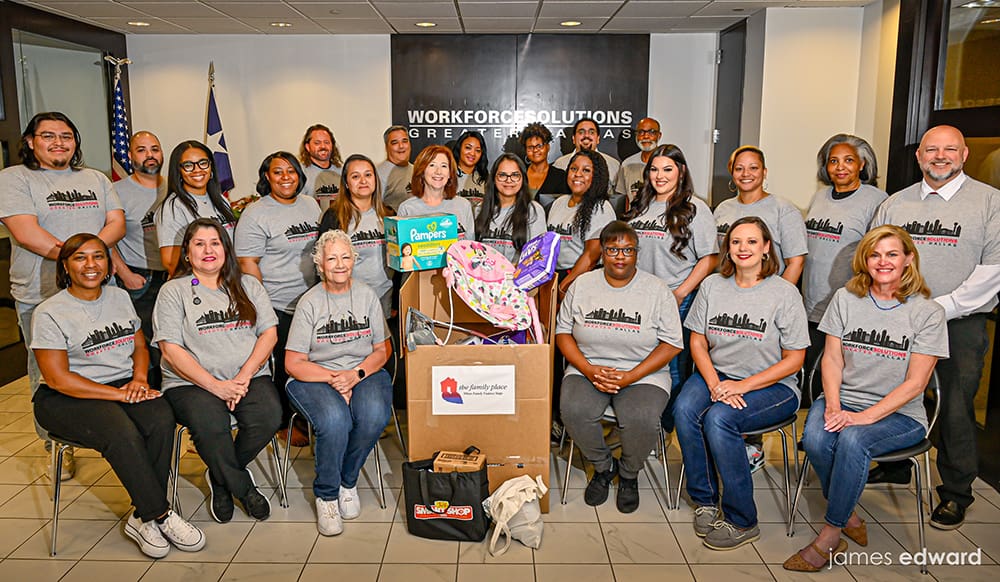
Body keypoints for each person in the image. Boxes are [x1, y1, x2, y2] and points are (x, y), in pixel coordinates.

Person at [783, 225, 948, 572]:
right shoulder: (846, 298)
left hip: (900, 415)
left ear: (908, 260)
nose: (883, 261)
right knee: (814, 437)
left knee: (853, 440)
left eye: (892, 254)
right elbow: (832, 359)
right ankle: (852, 516)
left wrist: (865, 417)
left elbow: (917, 384)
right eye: (875, 254)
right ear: (865, 260)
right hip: (843, 401)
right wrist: (833, 404)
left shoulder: (928, 312)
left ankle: (830, 535)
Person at [31, 233, 205, 558]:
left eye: (98, 256)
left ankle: (141, 516)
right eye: (80, 257)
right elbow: (58, 378)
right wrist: (121, 397)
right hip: (66, 397)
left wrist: (139, 380)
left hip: (122, 384)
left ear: (109, 264)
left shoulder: (119, 298)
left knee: (161, 417)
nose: (91, 264)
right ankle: (161, 514)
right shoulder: (50, 312)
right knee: (122, 433)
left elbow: (139, 345)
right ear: (65, 266)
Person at [870, 125, 1000, 530]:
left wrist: (937, 308)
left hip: (958, 323)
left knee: (956, 407)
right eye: (931, 150)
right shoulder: (896, 203)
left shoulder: (990, 203)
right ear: (919, 156)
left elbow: (993, 271)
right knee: (892, 393)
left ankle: (957, 491)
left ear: (963, 155)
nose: (939, 156)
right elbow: (875, 257)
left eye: (948, 150)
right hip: (897, 319)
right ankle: (895, 466)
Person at [0, 111, 126, 478]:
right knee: (47, 372)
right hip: (41, 293)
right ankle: (58, 444)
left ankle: (111, 432)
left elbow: (115, 222)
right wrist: (85, 262)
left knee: (104, 358)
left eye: (66, 135)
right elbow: (26, 233)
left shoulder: (95, 178)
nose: (59, 143)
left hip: (101, 292)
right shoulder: (14, 178)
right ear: (30, 141)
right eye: (49, 136)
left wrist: (92, 266)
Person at [674, 216, 809, 551]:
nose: (743, 248)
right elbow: (698, 343)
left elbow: (794, 359)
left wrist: (742, 386)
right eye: (736, 242)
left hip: (773, 386)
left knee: (721, 419)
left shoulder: (783, 293)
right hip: (718, 375)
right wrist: (716, 383)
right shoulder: (712, 286)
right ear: (728, 248)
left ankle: (741, 519)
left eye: (751, 241)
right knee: (684, 409)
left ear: (766, 248)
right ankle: (705, 500)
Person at [153, 218, 282, 523]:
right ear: (187, 253)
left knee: (268, 417)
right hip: (191, 384)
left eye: (215, 243)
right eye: (199, 244)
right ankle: (241, 487)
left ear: (226, 248)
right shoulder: (174, 291)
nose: (208, 250)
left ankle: (220, 475)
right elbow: (170, 349)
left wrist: (243, 376)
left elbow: (269, 334)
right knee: (210, 423)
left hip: (246, 376)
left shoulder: (248, 285)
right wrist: (215, 386)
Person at [556, 221, 683, 513]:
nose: (620, 256)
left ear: (637, 253)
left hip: (643, 372)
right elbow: (562, 333)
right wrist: (588, 370)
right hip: (588, 367)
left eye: (628, 250)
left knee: (640, 417)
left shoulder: (657, 289)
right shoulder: (583, 284)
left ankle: (628, 474)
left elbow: (672, 344)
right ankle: (603, 468)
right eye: (613, 249)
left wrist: (630, 377)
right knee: (574, 410)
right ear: (602, 252)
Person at [285, 230, 393, 536]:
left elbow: (382, 350)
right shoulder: (309, 303)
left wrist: (354, 376)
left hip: (362, 371)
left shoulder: (367, 295)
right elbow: (294, 363)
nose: (340, 264)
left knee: (372, 415)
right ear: (319, 264)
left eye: (345, 257)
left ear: (354, 260)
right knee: (335, 421)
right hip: (315, 376)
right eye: (331, 258)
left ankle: (347, 480)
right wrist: (336, 380)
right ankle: (327, 495)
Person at [713, 145, 808, 471]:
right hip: (731, 299)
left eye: (753, 168)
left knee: (757, 368)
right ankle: (732, 445)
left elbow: (795, 260)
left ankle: (750, 446)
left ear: (764, 172)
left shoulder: (784, 209)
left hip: (768, 306)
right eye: (739, 168)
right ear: (732, 172)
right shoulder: (723, 208)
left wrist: (776, 299)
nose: (746, 174)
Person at [623, 144, 718, 432]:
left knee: (672, 368)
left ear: (681, 171)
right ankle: (641, 421)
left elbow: (710, 257)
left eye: (667, 169)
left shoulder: (695, 208)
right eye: (654, 169)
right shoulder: (640, 204)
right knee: (639, 360)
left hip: (677, 299)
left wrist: (680, 293)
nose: (659, 176)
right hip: (639, 299)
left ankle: (663, 429)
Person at [236, 151, 320, 445]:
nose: (286, 177)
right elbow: (248, 263)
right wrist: (262, 307)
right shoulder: (256, 213)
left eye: (291, 171)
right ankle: (285, 423)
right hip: (277, 304)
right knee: (286, 365)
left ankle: (309, 417)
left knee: (312, 363)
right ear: (266, 177)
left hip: (312, 303)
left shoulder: (311, 205)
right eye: (278, 172)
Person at [803, 134, 886, 385]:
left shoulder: (877, 200)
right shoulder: (820, 197)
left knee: (836, 378)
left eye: (848, 160)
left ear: (862, 164)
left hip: (848, 304)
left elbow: (879, 255)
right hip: (811, 301)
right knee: (810, 378)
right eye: (833, 161)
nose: (840, 167)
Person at [111, 131, 169, 390]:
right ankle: (148, 394)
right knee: (144, 345)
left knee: (172, 341)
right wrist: (124, 274)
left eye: (155, 149)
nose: (150, 155)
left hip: (174, 275)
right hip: (139, 279)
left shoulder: (174, 186)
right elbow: (106, 237)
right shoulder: (117, 191)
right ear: (131, 155)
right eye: (142, 150)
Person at [319, 154, 393, 314]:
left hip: (385, 299)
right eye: (355, 176)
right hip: (348, 300)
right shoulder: (334, 217)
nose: (363, 181)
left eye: (368, 175)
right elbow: (323, 263)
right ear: (346, 183)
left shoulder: (389, 214)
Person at [155, 140, 236, 275]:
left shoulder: (221, 200)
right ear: (179, 171)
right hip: (200, 286)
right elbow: (170, 262)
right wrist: (206, 285)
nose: (197, 169)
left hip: (228, 280)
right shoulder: (173, 207)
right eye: (188, 165)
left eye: (203, 163)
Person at [547, 149, 616, 294]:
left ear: (596, 176)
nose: (577, 174)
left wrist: (564, 286)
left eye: (586, 170)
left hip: (582, 279)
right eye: (573, 169)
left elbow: (591, 257)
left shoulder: (601, 207)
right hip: (555, 276)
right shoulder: (559, 203)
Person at [475, 153, 547, 264]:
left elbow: (538, 256)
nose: (509, 180)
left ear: (523, 179)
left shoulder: (533, 210)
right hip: (481, 279)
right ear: (494, 178)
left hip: (517, 279)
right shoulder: (480, 210)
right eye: (502, 175)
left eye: (515, 175)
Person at [397, 145, 476, 239]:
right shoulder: (407, 209)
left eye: (444, 166)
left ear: (450, 173)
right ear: (422, 171)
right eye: (432, 165)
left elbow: (470, 247)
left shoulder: (463, 205)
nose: (438, 172)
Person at [552, 118, 621, 192]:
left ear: (598, 139)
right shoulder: (559, 164)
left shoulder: (614, 165)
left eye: (591, 132)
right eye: (581, 132)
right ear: (573, 139)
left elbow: (617, 199)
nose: (586, 135)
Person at [615, 117, 662, 202]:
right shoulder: (627, 164)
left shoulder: (668, 163)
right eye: (641, 132)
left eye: (651, 132)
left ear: (659, 136)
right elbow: (624, 199)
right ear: (636, 136)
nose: (646, 136)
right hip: (633, 214)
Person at [519, 122, 569, 198]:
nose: (535, 150)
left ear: (547, 147)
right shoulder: (519, 174)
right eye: (530, 147)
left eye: (539, 146)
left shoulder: (561, 176)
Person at [298, 124, 343, 208]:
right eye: (317, 143)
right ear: (307, 147)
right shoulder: (300, 172)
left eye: (327, 142)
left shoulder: (342, 171)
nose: (323, 146)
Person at [377, 125, 413, 212]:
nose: (401, 146)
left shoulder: (417, 170)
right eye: (395, 143)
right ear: (386, 147)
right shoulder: (378, 173)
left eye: (405, 141)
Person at [452, 130, 489, 212]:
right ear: (459, 148)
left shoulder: (486, 179)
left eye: (478, 150)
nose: (472, 153)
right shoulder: (446, 176)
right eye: (468, 148)